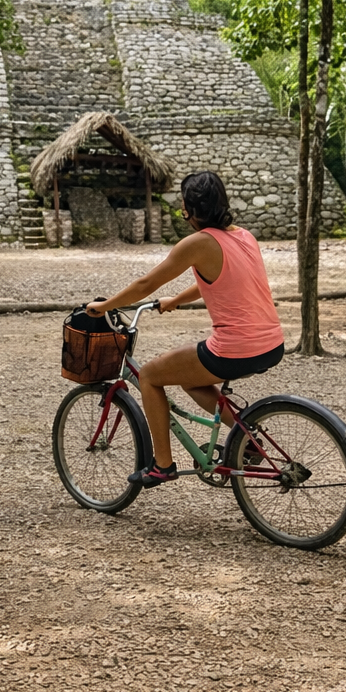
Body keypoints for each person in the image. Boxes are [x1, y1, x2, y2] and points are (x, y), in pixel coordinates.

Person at [85, 170, 284, 487]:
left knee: (149, 375)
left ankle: (162, 466)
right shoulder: (245, 237)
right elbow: (220, 280)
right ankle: (248, 436)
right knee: (191, 379)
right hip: (272, 345)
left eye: (183, 208)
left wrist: (105, 305)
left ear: (191, 211)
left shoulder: (198, 243)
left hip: (235, 349)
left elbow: (146, 283)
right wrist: (175, 300)